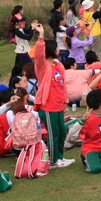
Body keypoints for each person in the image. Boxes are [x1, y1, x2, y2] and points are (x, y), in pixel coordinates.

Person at [29, 22, 75, 169]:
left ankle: (60, 157)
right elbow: (38, 55)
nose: (58, 49)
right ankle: (53, 161)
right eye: (56, 47)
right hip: (47, 106)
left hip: (58, 105)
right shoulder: (42, 67)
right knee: (52, 134)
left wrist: (64, 102)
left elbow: (62, 86)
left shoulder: (58, 66)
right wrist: (41, 35)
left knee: (61, 132)